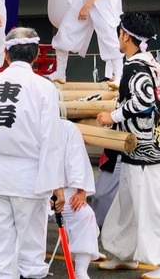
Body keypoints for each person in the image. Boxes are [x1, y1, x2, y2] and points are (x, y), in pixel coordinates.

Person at [0, 27, 64, 279]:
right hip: (29, 177)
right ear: (37, 54)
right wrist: (56, 184)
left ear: (6, 55)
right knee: (31, 252)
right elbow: (51, 139)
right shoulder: (44, 87)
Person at [96, 12, 160, 279]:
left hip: (144, 148)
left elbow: (144, 101)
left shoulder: (134, 65)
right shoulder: (150, 63)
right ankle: (124, 254)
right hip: (144, 145)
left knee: (151, 205)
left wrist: (113, 115)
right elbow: (155, 100)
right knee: (129, 204)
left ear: (126, 35)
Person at [59, 116, 100, 279]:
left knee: (85, 215)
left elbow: (77, 159)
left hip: (66, 190)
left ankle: (81, 268)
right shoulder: (25, 125)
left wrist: (81, 190)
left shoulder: (67, 128)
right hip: (32, 191)